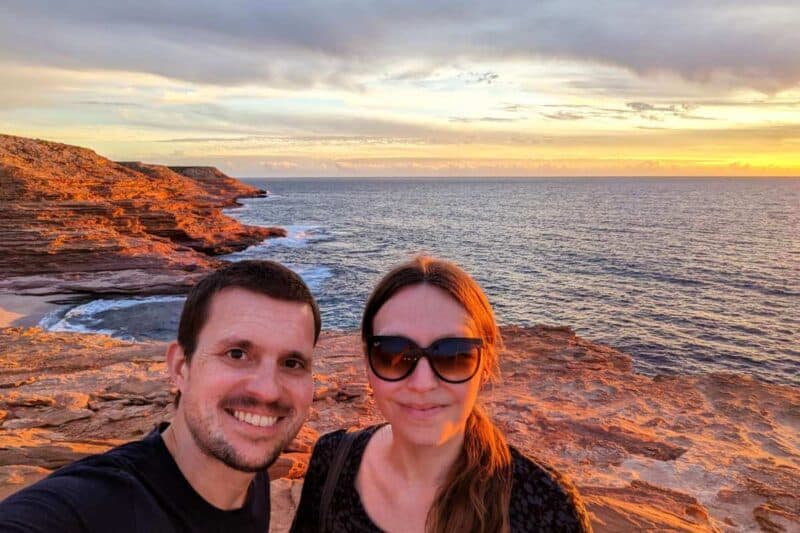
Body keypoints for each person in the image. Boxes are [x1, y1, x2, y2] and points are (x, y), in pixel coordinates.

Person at [0, 260, 321, 533]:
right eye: (236, 354)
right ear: (181, 367)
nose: (266, 390)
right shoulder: (86, 508)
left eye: (292, 363)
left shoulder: (253, 482)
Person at [291, 256, 592, 533]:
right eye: (395, 354)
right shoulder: (331, 462)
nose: (423, 383)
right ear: (368, 364)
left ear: (485, 367)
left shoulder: (547, 505)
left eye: (454, 355)